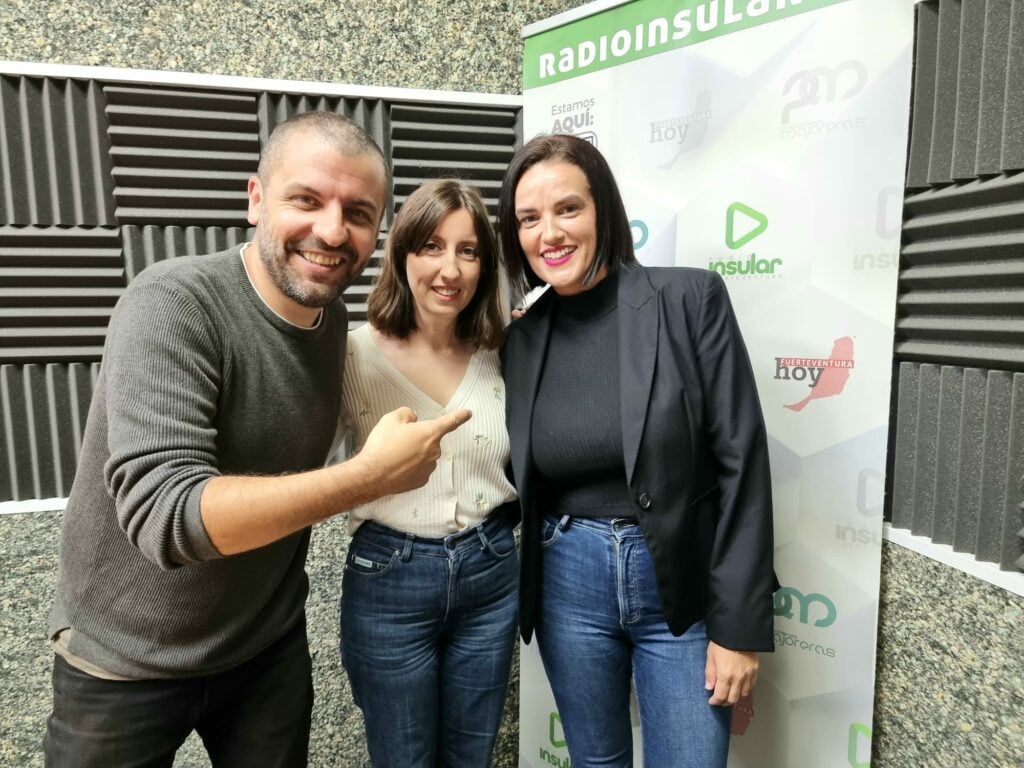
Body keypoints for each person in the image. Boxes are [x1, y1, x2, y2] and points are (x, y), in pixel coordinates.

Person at [43, 112, 471, 768]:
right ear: (255, 199)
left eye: (358, 213)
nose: (333, 231)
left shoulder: (330, 320)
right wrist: (370, 476)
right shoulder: (173, 302)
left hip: (265, 650)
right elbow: (167, 517)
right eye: (307, 199)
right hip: (124, 662)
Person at [497, 134, 776, 768]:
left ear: (605, 210)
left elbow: (742, 461)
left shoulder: (690, 299)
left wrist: (737, 628)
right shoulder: (522, 336)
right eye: (529, 218)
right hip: (567, 581)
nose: (549, 233)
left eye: (568, 208)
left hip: (679, 584)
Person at [339, 179, 518, 767]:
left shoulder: (501, 353)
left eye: (469, 251)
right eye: (432, 247)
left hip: (490, 571)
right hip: (389, 577)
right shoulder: (352, 355)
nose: (451, 269)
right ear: (402, 254)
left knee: (472, 756)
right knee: (403, 757)